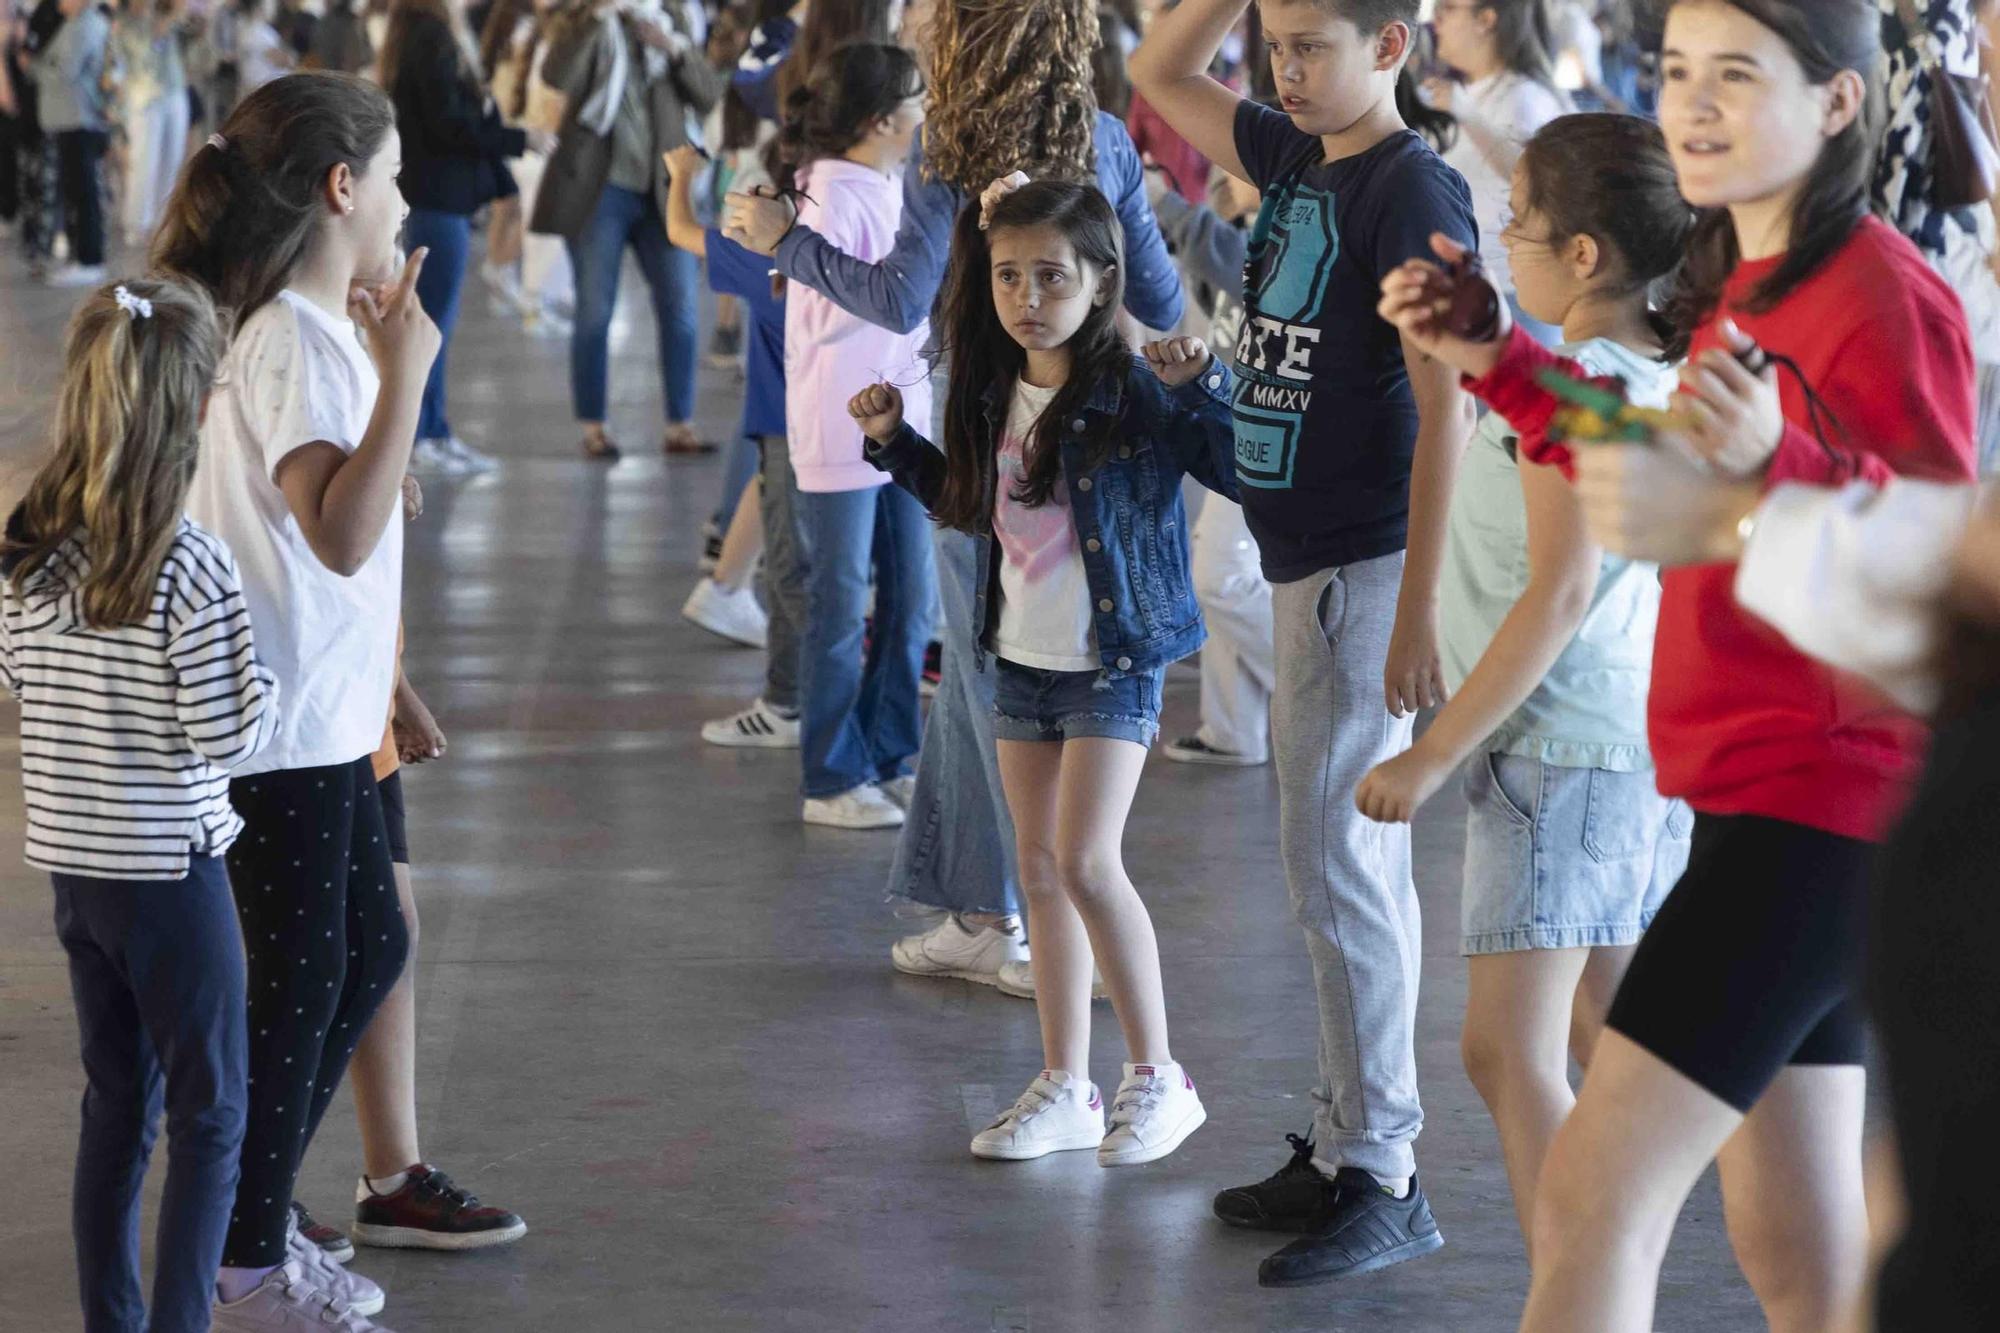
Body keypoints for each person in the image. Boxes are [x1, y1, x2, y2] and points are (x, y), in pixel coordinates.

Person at [1379, 2, 1978, 1326]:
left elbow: (1939, 551)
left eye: (1737, 77)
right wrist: (1501, 357)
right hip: (1748, 801)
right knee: (1796, 1247)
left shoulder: (1882, 296)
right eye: (1679, 73)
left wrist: (1781, 468)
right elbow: (1652, 455)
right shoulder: (1740, 281)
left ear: (1833, 104)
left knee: (1595, 1198)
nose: (1694, 105)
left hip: (1819, 812)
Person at [721, 0, 1184, 990]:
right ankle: (981, 910)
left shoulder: (953, 146)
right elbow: (1162, 298)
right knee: (1008, 691)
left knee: (993, 692)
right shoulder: (1102, 141)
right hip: (1093, 447)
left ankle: (1010, 921)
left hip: (985, 438)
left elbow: (895, 295)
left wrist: (781, 239)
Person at [1131, 0, 1478, 1286]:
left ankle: (1383, 1167)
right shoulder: (1292, 154)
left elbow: (1448, 407)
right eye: (1274, 46)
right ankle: (1344, 1142)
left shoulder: (1406, 183)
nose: (1284, 70)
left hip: (1361, 564)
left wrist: (1421, 604)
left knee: (1340, 871)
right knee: (1319, 870)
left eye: (1312, 47)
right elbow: (1159, 67)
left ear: (1390, 46)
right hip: (1301, 556)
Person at [1356, 111, 1694, 1256]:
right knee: (1607, 1027)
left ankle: (1582, 1282)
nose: (1504, 246)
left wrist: (1430, 750)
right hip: (1603, 744)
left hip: (1560, 750)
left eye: (1517, 228)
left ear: (1583, 254)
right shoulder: (1626, 367)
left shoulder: (1595, 378)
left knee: (1505, 1049)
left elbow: (1558, 592)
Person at [854, 179, 1238, 1162]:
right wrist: (894, 446)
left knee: (1084, 861)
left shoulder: (1132, 389)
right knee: (1036, 872)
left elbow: (1233, 467)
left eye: (1051, 276)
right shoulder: (989, 390)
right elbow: (966, 503)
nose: (1027, 294)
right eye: (1008, 275)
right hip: (1016, 659)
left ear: (1101, 280)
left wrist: (1202, 384)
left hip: (1113, 661)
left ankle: (1158, 1075)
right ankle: (1063, 1083)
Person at [153, 70, 434, 1331]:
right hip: (278, 728)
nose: (402, 197)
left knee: (360, 953)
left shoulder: (295, 333)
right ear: (340, 188)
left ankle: (247, 1230)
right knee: (305, 978)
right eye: (389, 176)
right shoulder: (297, 344)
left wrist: (391, 682)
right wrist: (409, 370)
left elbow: (329, 537)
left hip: (320, 711)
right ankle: (240, 1255)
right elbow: (334, 532)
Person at [2, 278, 278, 1333]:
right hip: (172, 877)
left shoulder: (30, 552)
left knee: (116, 1105)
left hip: (78, 877)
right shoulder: (190, 567)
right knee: (213, 1115)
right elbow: (227, 735)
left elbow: (17, 676)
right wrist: (272, 689)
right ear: (194, 408)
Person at [774, 42, 935, 829]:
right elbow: (857, 303)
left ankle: (890, 750)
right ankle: (830, 776)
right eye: (917, 98)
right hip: (843, 423)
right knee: (842, 605)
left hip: (906, 426)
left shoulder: (890, 181)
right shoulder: (829, 195)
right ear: (881, 120)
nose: (927, 109)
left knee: (913, 600)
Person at [530, 0, 721, 460]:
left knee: (681, 307)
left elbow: (708, 94)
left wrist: (673, 49)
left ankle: (681, 423)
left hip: (663, 188)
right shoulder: (580, 19)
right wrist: (596, 17)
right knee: (595, 310)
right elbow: (558, 76)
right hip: (602, 189)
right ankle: (595, 427)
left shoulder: (672, 19)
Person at [378, 0, 548, 474]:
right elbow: (449, 123)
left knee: (431, 326)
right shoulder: (429, 38)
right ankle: (421, 436)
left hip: (435, 197)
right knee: (430, 328)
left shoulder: (422, 33)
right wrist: (517, 139)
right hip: (435, 199)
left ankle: (432, 430)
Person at [663, 143, 806, 691]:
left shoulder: (758, 258)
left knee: (767, 485)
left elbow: (679, 229)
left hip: (774, 413)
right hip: (814, 422)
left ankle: (725, 586)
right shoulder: (825, 258)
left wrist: (681, 176)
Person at [1149, 166, 1275, 767]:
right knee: (1223, 566)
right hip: (1238, 419)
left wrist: (1165, 201)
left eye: (1238, 165)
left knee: (1218, 577)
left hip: (1269, 425)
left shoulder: (1285, 233)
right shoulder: (1244, 227)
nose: (1224, 173)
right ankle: (1233, 729)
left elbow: (1232, 265)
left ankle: (1322, 690)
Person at [1424, 0, 1570, 341]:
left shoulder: (1524, 97)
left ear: (1485, 20)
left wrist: (1467, 116)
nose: (1436, 21)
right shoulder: (1467, 92)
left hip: (1512, 294)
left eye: (1448, 8)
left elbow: (1534, 177)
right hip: (1471, 283)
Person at [32, 0, 110, 286]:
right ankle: (80, 256)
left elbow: (66, 71)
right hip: (70, 120)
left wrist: (37, 66)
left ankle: (90, 258)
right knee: (76, 191)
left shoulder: (87, 25)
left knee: (84, 192)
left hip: (81, 119)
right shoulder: (74, 24)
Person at [113, 0, 191, 247]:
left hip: (174, 91)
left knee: (172, 159)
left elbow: (190, 47)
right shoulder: (125, 23)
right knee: (144, 160)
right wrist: (167, 20)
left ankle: (162, 221)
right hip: (145, 97)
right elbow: (142, 53)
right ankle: (137, 224)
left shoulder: (168, 17)